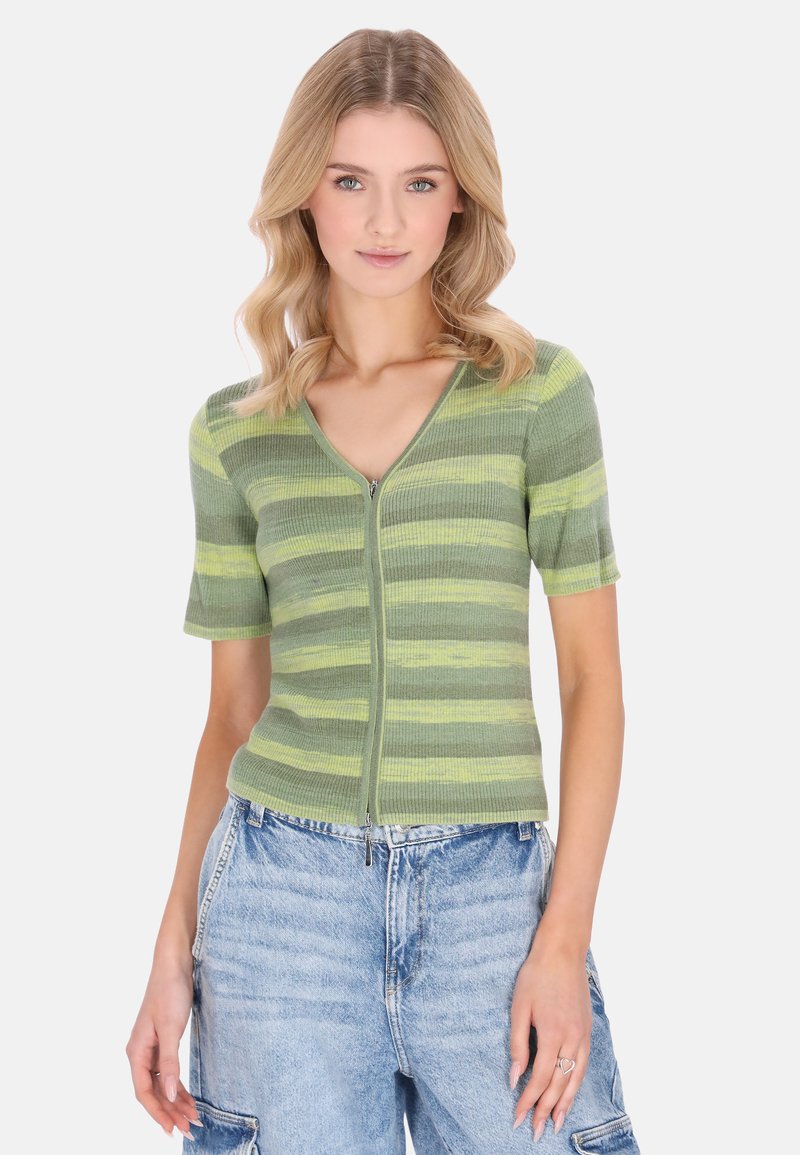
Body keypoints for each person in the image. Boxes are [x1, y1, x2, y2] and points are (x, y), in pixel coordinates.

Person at [126, 27, 640, 1154]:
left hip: (490, 904)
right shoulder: (236, 434)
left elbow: (592, 683)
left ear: (460, 199)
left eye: (419, 182)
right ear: (302, 196)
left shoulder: (535, 395)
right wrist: (172, 946)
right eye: (350, 180)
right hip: (281, 908)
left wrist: (560, 939)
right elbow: (230, 715)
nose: (385, 221)